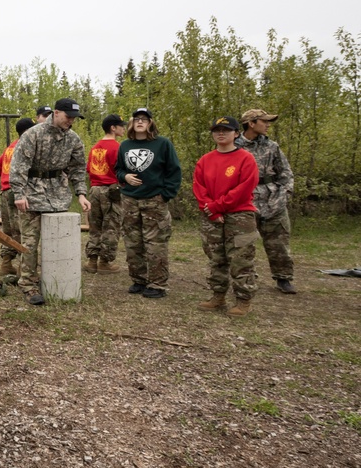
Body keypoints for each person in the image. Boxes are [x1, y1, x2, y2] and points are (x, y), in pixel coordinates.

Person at [8, 97, 92, 305]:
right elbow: (19, 165)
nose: (71, 121)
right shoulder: (33, 134)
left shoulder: (73, 139)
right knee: (29, 241)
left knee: (58, 240)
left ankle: (58, 280)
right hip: (32, 193)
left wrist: (81, 193)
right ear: (55, 113)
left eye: (74, 118)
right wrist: (19, 194)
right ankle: (28, 285)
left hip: (58, 195)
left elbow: (78, 168)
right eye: (67, 116)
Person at [193, 116, 260, 317]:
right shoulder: (205, 160)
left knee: (241, 258)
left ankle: (243, 300)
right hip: (211, 216)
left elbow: (245, 187)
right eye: (217, 130)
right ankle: (218, 296)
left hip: (239, 215)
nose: (221, 133)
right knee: (216, 257)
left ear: (236, 133)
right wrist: (211, 210)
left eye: (226, 130)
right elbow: (199, 187)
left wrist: (217, 206)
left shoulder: (245, 158)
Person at [116, 108, 182, 299]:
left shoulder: (163, 144)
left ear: (150, 123)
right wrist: (125, 176)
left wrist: (165, 195)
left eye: (144, 119)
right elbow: (118, 169)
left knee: (155, 243)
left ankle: (157, 284)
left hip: (154, 200)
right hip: (129, 200)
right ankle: (139, 279)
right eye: (136, 119)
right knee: (132, 242)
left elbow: (174, 171)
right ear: (131, 123)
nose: (140, 122)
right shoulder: (125, 145)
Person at [237, 109, 297, 294]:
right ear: (251, 123)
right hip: (245, 200)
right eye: (264, 121)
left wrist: (283, 195)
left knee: (278, 242)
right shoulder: (234, 146)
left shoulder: (272, 147)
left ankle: (283, 278)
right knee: (243, 243)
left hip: (273, 199)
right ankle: (245, 278)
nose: (268, 124)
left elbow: (286, 173)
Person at [83, 114, 126, 273]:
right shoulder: (118, 147)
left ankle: (92, 261)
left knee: (95, 225)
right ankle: (104, 262)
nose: (124, 128)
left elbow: (89, 169)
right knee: (111, 226)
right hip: (111, 190)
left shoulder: (95, 148)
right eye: (121, 125)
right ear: (113, 128)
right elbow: (122, 170)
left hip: (94, 189)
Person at [0, 116, 34, 277]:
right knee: (22, 230)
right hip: (17, 192)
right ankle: (23, 269)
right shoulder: (25, 146)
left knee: (8, 231)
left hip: (4, 192)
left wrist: (5, 177)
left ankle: (6, 264)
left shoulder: (10, 147)